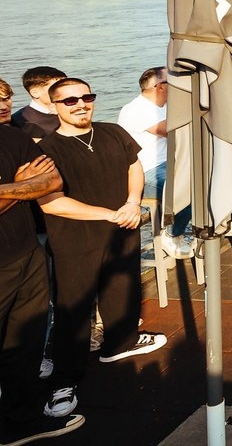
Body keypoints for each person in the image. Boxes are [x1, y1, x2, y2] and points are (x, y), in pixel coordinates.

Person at [37, 78, 169, 418]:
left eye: (86, 97)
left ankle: (120, 343)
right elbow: (51, 202)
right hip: (75, 241)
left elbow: (133, 166)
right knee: (73, 309)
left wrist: (132, 202)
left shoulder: (112, 132)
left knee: (122, 288)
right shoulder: (47, 149)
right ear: (54, 106)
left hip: (122, 229)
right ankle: (65, 380)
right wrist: (110, 214)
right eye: (70, 100)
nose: (81, 104)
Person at [0, 100, 88, 444]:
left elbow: (51, 181)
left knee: (26, 344)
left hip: (26, 253)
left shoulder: (12, 138)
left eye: (5, 96)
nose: (4, 104)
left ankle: (20, 422)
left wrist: (11, 190)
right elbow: (36, 185)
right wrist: (22, 186)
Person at [116, 66, 196, 258]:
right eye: (173, 80)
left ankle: (210, 224)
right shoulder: (135, 109)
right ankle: (171, 232)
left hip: (172, 163)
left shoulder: (167, 105)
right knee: (190, 187)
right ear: (160, 86)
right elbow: (174, 131)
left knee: (211, 175)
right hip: (146, 171)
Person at [11, 66, 66, 140]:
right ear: (35, 93)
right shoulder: (20, 122)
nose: (64, 91)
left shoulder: (74, 110)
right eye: (56, 88)